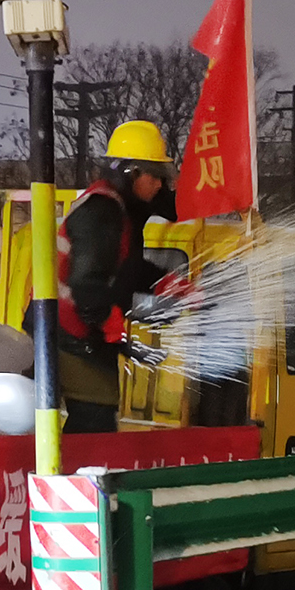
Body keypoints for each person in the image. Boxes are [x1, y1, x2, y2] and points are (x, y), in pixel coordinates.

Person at [55, 119, 175, 434]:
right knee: (93, 421)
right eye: (155, 175)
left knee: (95, 418)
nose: (160, 184)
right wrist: (113, 329)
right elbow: (87, 284)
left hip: (76, 330)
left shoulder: (119, 208)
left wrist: (164, 281)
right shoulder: (102, 211)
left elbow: (123, 268)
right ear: (131, 172)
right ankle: (75, 482)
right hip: (70, 332)